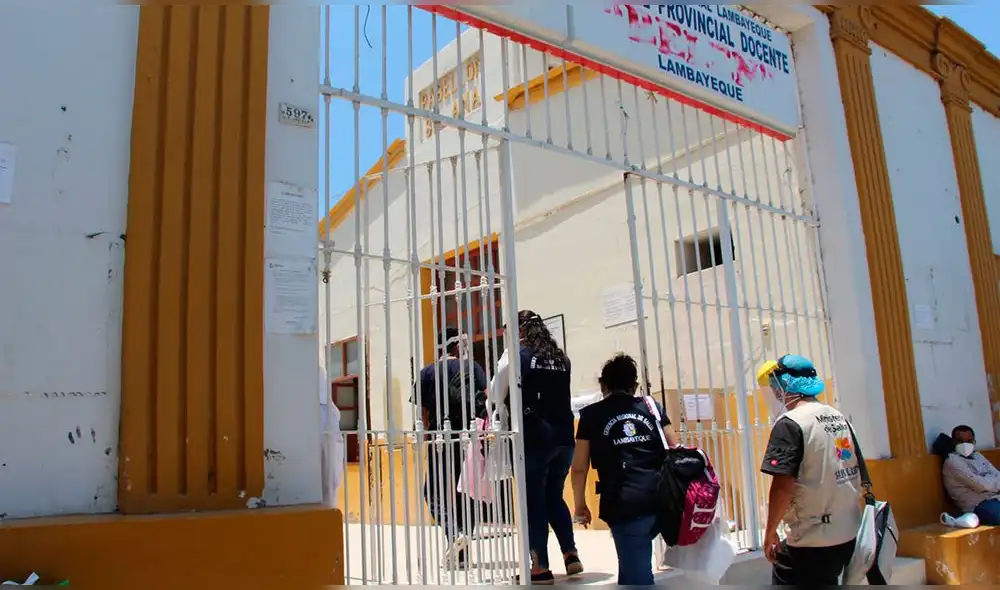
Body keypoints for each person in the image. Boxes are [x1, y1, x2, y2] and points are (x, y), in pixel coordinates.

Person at [570, 353, 680, 586]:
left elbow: (579, 468)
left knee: (637, 581)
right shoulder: (652, 408)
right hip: (662, 499)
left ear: (604, 385)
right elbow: (675, 447)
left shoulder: (591, 416)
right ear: (635, 384)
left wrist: (580, 506)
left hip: (626, 504)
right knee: (631, 575)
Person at [490, 310, 581, 584]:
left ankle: (539, 567)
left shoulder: (517, 355)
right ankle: (570, 553)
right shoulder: (561, 359)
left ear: (519, 331)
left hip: (535, 438)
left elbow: (496, 392)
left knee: (533, 502)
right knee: (555, 496)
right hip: (564, 438)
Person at [757, 354, 861, 586]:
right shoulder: (838, 417)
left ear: (783, 386)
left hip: (812, 540)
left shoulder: (791, 424)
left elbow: (783, 487)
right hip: (846, 533)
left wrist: (770, 531)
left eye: (775, 386)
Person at [412, 327, 489, 568]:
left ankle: (454, 534)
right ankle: (463, 542)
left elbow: (422, 411)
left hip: (439, 439)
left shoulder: (426, 372)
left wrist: (426, 434)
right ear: (456, 346)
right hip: (470, 437)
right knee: (468, 490)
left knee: (433, 492)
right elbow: (488, 399)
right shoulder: (472, 367)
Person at [942, 424, 1000, 525]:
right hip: (977, 506)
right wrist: (990, 481)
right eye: (960, 441)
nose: (965, 445)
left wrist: (988, 483)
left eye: (969, 441)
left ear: (974, 442)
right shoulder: (952, 462)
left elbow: (997, 475)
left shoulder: (977, 456)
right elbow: (979, 485)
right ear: (954, 442)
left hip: (995, 499)